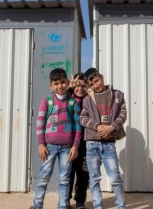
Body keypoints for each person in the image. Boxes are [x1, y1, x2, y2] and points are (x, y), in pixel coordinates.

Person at [33, 68, 82, 209]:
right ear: (51, 86)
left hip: (68, 148)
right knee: (43, 177)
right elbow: (40, 123)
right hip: (49, 147)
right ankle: (37, 205)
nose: (60, 86)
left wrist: (75, 146)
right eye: (56, 83)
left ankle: (63, 206)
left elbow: (78, 127)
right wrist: (41, 144)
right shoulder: (47, 101)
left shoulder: (73, 103)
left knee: (64, 179)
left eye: (62, 82)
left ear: (67, 83)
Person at [80, 68, 127, 209]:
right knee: (94, 179)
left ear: (101, 77)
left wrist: (111, 128)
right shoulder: (87, 99)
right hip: (91, 144)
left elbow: (123, 114)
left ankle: (121, 206)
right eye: (92, 84)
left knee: (115, 178)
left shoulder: (117, 95)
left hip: (109, 144)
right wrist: (98, 127)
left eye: (97, 81)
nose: (96, 85)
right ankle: (98, 206)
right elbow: (82, 118)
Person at [67, 73, 89, 209]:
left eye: (84, 86)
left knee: (83, 174)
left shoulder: (90, 100)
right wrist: (70, 87)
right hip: (70, 144)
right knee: (68, 173)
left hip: (86, 144)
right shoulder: (68, 99)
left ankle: (80, 201)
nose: (80, 88)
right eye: (77, 85)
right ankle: (66, 200)